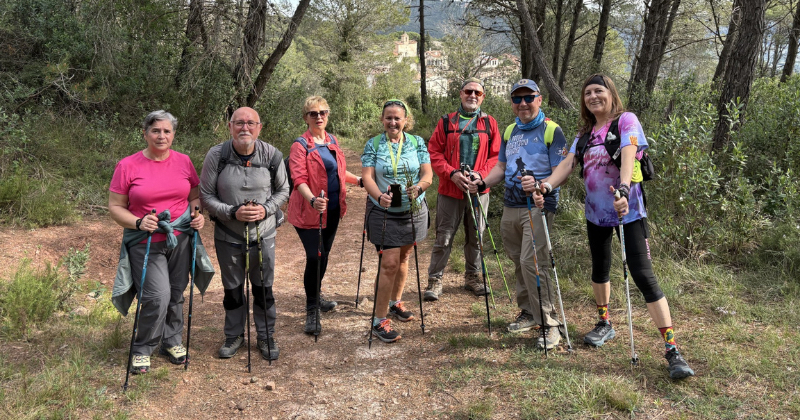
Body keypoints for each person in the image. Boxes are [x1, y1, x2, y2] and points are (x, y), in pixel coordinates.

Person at [543, 74, 695, 378]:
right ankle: (605, 323)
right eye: (587, 92)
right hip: (595, 213)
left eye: (598, 90)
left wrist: (624, 190)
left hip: (628, 211)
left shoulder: (626, 120)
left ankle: (672, 349)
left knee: (643, 276)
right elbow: (568, 165)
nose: (593, 96)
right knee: (599, 268)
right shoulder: (585, 133)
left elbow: (629, 154)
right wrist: (546, 186)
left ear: (611, 94)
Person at [110, 110, 214, 374]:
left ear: (173, 134)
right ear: (145, 133)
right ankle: (142, 347)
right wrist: (138, 222)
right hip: (145, 240)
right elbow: (115, 207)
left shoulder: (183, 161)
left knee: (176, 292)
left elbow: (194, 197)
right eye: (155, 130)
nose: (161, 135)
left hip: (180, 237)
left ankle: (172, 341)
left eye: (167, 131)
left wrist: (197, 215)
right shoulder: (128, 165)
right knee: (157, 296)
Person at [476, 79, 568, 349]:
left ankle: (550, 323)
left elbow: (562, 172)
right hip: (511, 205)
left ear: (539, 99)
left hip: (539, 206)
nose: (523, 103)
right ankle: (528, 311)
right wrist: (481, 182)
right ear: (512, 103)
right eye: (517, 99)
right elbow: (501, 168)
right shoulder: (510, 130)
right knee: (518, 260)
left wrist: (540, 185)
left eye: (529, 98)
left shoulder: (551, 130)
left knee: (533, 262)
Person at [199, 107, 289, 361]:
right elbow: (206, 194)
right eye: (239, 123)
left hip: (264, 234)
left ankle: (266, 335)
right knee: (233, 289)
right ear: (230, 126)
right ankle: (234, 335)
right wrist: (231, 212)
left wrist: (266, 209)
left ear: (259, 128)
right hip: (228, 233)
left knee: (263, 288)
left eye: (251, 123)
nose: (244, 128)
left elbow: (283, 190)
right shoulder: (216, 155)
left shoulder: (272, 155)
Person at [287, 96, 361, 335]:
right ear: (305, 117)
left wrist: (359, 181)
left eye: (323, 112)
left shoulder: (332, 140)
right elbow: (299, 179)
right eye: (313, 113)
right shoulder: (300, 146)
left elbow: (338, 171)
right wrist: (312, 200)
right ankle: (312, 309)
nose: (319, 117)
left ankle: (316, 295)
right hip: (309, 211)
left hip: (333, 210)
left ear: (328, 115)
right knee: (315, 256)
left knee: (324, 255)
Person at [361, 99, 432, 343]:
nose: (393, 122)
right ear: (382, 120)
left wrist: (419, 187)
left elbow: (428, 173)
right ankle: (379, 320)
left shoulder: (417, 142)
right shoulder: (373, 144)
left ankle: (395, 302)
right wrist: (379, 196)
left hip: (413, 209)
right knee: (389, 263)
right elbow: (367, 177)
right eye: (388, 118)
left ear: (405, 120)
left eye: (397, 118)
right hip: (384, 211)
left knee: (404, 257)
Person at [423, 77, 501, 301]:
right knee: (444, 236)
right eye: (468, 91)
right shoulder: (446, 122)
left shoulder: (490, 123)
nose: (472, 96)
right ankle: (435, 279)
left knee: (477, 235)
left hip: (479, 190)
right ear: (460, 93)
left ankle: (473, 277)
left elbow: (497, 156)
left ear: (483, 97)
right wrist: (452, 173)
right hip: (450, 189)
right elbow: (434, 152)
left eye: (477, 93)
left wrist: (481, 176)